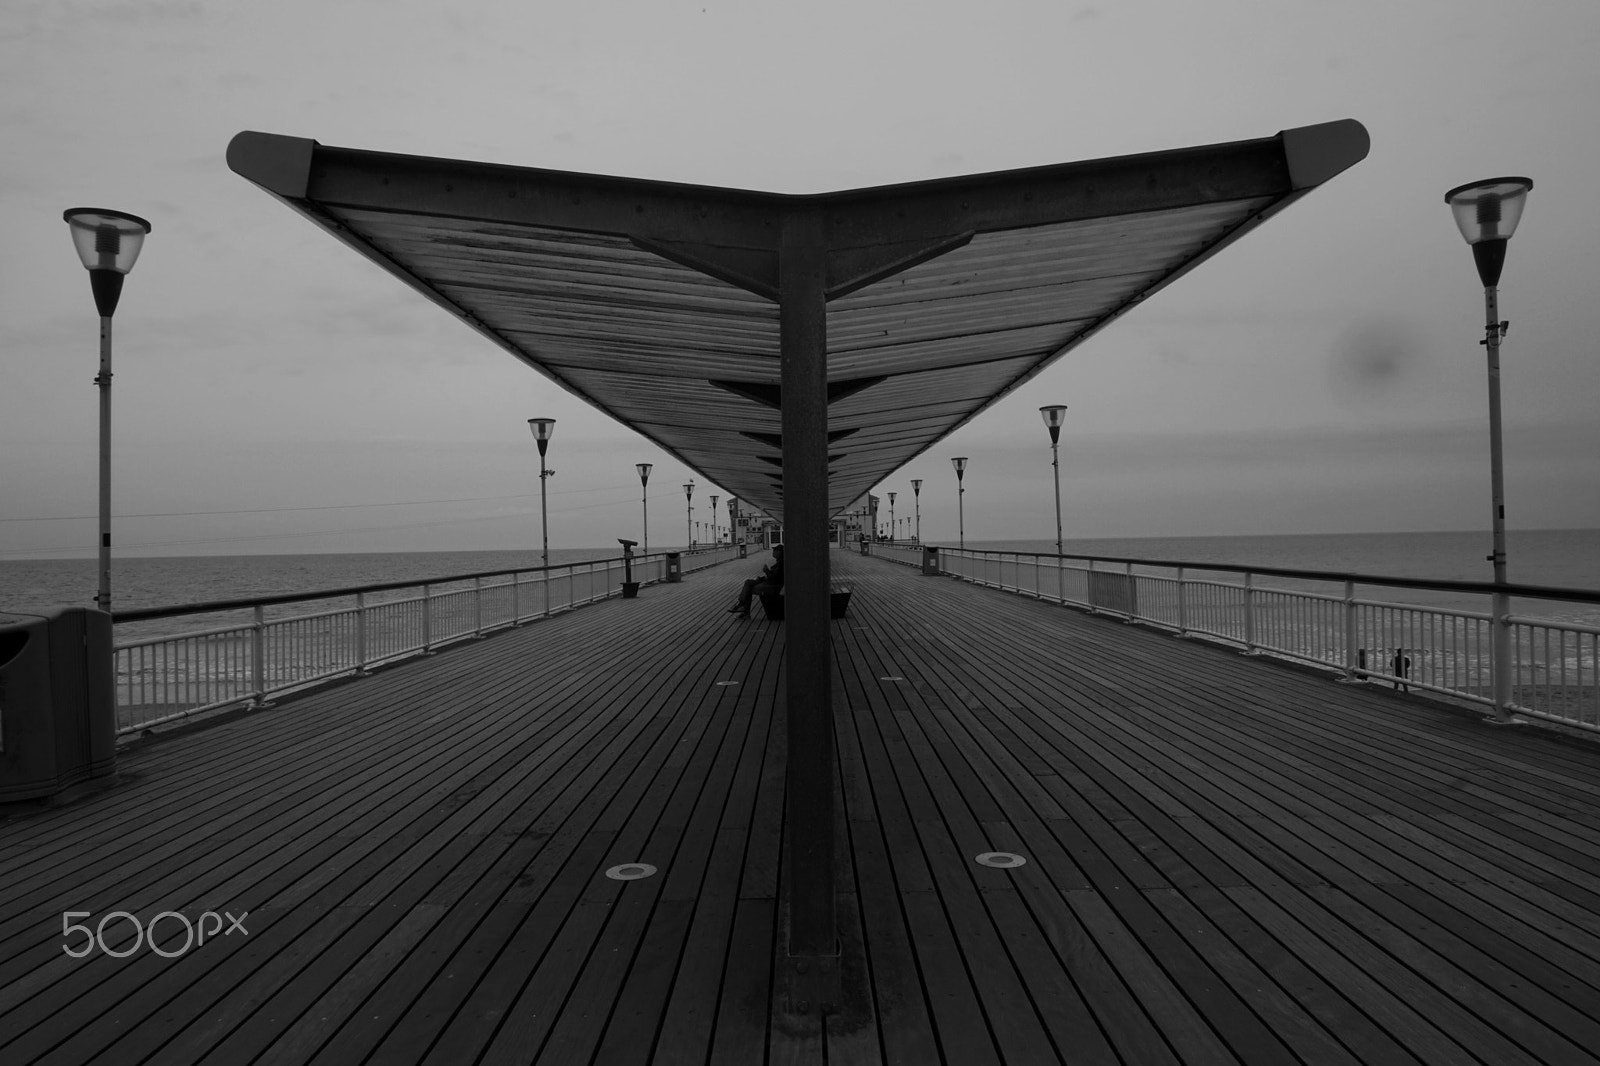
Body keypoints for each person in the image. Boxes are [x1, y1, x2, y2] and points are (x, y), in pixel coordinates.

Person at [728, 544, 784, 618]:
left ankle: (744, 609)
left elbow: (774, 578)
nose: (773, 552)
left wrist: (766, 570)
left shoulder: (781, 564)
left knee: (749, 588)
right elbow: (774, 577)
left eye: (775, 550)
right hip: (769, 583)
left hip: (773, 587)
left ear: (780, 552)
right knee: (748, 582)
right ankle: (742, 605)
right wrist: (762, 578)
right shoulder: (780, 562)